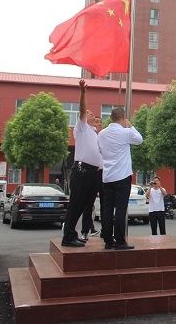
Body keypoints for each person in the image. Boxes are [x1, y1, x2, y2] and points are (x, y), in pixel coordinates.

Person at [61, 80, 103, 248]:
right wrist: (83, 93)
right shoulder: (82, 127)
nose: (91, 114)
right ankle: (68, 236)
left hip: (94, 173)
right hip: (82, 170)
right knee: (76, 203)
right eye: (89, 113)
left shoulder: (95, 133)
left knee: (86, 204)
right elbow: (82, 109)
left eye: (92, 114)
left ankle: (74, 233)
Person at [97, 106, 143, 250]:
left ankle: (107, 241)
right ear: (123, 118)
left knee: (107, 209)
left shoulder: (102, 134)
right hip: (122, 176)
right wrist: (130, 126)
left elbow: (100, 150)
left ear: (111, 118)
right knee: (121, 209)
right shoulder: (126, 132)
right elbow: (139, 140)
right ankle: (120, 241)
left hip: (107, 176)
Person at [80, 115, 104, 241]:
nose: (99, 124)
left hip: (104, 173)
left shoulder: (104, 137)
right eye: (97, 122)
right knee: (88, 203)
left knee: (106, 203)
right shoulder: (91, 136)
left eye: (101, 122)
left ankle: (105, 230)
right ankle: (85, 231)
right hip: (93, 172)